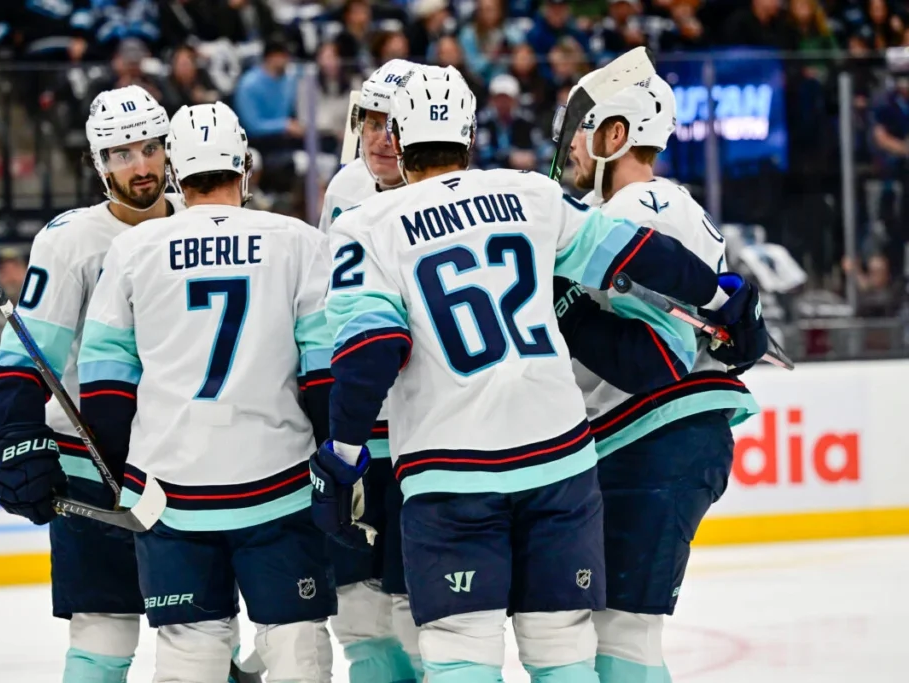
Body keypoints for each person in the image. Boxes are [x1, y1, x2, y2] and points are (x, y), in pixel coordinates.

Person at [310, 65, 765, 682]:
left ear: (398, 133)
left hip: (453, 468)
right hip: (558, 464)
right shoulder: (528, 193)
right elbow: (631, 252)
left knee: (460, 651)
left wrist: (341, 450)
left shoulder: (363, 227)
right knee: (563, 652)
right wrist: (718, 296)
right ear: (470, 137)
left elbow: (373, 347)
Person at [76, 102, 337, 682]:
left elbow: (103, 383)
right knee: (296, 649)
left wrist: (120, 476)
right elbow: (324, 376)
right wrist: (337, 458)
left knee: (190, 655)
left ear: (175, 173)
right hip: (280, 485)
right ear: (245, 166)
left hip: (171, 492)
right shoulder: (297, 240)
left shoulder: (133, 250)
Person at [562, 71, 765, 683]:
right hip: (648, 440)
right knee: (608, 629)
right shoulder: (659, 205)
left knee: (623, 632)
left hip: (656, 438)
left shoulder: (642, 205)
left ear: (615, 135)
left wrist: (562, 308)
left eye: (577, 130)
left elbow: (660, 356)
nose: (567, 145)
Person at [0, 85, 183, 683]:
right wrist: (20, 435)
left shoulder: (205, 222)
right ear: (99, 163)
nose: (140, 166)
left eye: (148, 147)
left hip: (189, 457)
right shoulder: (69, 240)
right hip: (91, 463)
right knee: (103, 629)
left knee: (200, 629)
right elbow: (20, 360)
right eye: (121, 154)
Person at [317, 57, 423, 683]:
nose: (384, 137)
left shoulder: (441, 187)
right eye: (373, 122)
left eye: (397, 123)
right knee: (358, 603)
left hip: (427, 428)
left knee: (420, 602)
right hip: (364, 424)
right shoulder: (345, 189)